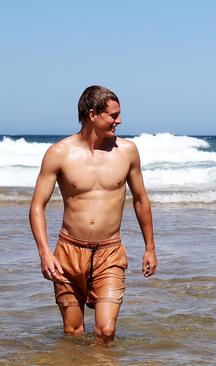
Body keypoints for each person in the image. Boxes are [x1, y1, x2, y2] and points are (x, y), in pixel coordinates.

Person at [29, 85, 158, 344]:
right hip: (67, 254)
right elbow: (37, 206)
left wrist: (150, 247)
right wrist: (44, 253)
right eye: (113, 115)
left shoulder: (127, 152)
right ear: (92, 115)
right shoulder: (59, 153)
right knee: (73, 333)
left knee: (106, 332)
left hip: (109, 253)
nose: (119, 120)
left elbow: (141, 200)